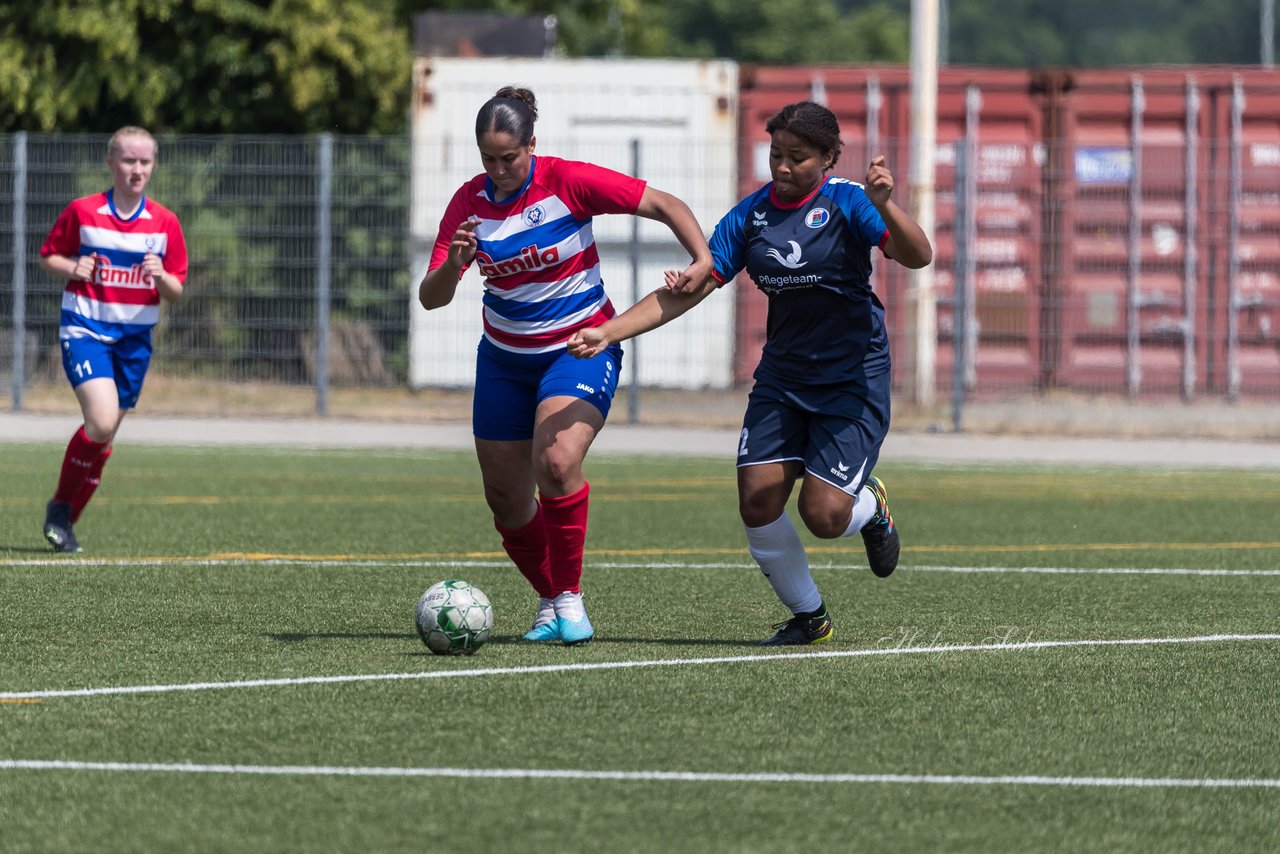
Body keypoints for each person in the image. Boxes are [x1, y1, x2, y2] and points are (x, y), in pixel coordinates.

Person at [568, 101, 933, 645]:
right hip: (783, 380)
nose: (783, 168)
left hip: (851, 379)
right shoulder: (750, 217)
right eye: (776, 154)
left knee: (824, 514)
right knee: (757, 498)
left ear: (830, 158)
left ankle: (870, 506)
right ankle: (811, 618)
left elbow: (918, 254)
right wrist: (607, 332)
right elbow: (687, 290)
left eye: (798, 158)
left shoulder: (850, 203)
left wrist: (888, 206)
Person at [418, 86, 713, 646]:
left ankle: (570, 601)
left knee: (555, 461)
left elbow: (664, 204)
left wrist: (701, 259)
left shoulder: (568, 180)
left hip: (578, 349)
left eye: (510, 157)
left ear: (533, 144)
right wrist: (454, 263)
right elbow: (432, 297)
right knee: (505, 500)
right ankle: (552, 601)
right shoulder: (468, 203)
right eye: (488, 159)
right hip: (503, 361)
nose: (500, 170)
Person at [38, 126, 189, 553]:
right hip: (85, 330)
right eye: (128, 160)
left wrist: (161, 277)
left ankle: (64, 517)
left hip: (134, 342)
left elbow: (176, 289)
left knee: (104, 438)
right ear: (111, 163)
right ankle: (60, 512)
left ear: (153, 166)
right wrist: (73, 268)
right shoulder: (84, 212)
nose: (137, 169)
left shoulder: (165, 224)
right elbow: (49, 255)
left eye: (145, 162)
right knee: (101, 422)